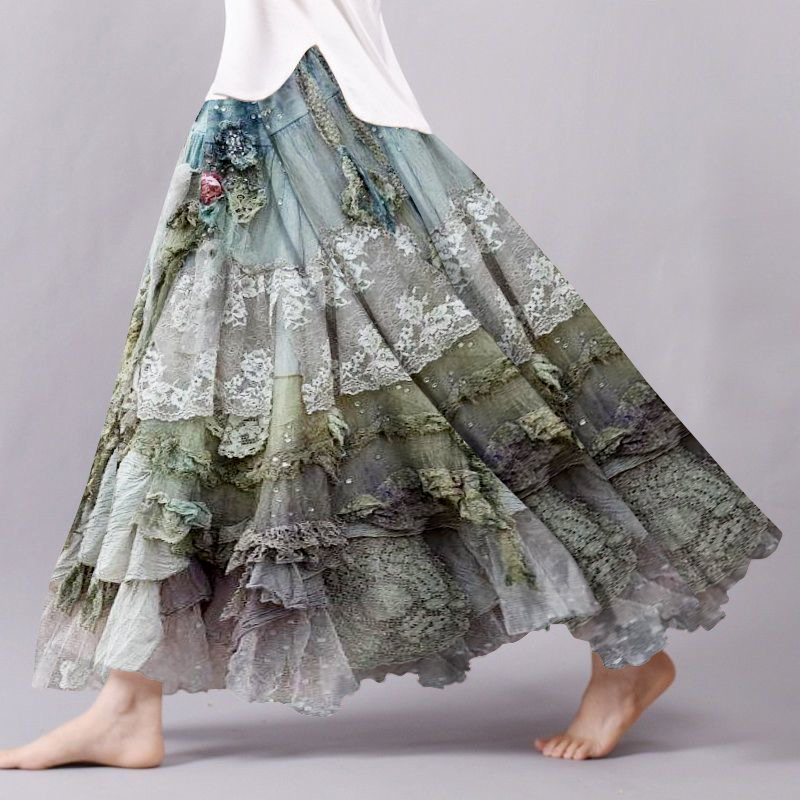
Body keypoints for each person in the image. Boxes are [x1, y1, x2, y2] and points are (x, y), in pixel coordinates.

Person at [0, 0, 781, 769]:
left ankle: (627, 650)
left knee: (476, 401)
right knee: (185, 407)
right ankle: (128, 705)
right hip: (257, 120)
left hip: (323, 124)